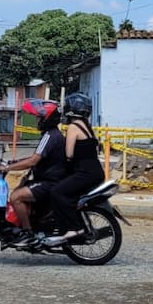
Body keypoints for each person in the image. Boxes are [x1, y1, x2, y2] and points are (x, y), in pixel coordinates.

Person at [0, 99, 67, 246]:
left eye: (40, 117)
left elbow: (33, 161)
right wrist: (13, 162)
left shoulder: (50, 136)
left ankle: (28, 233)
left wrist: (8, 168)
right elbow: (35, 157)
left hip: (49, 182)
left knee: (16, 196)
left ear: (48, 118)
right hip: (51, 179)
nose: (37, 120)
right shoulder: (52, 135)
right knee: (20, 187)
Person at [46, 93, 106, 245]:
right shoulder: (87, 127)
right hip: (94, 172)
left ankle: (73, 228)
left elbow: (69, 154)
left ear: (71, 109)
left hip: (85, 173)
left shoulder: (73, 127)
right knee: (67, 193)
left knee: (57, 192)